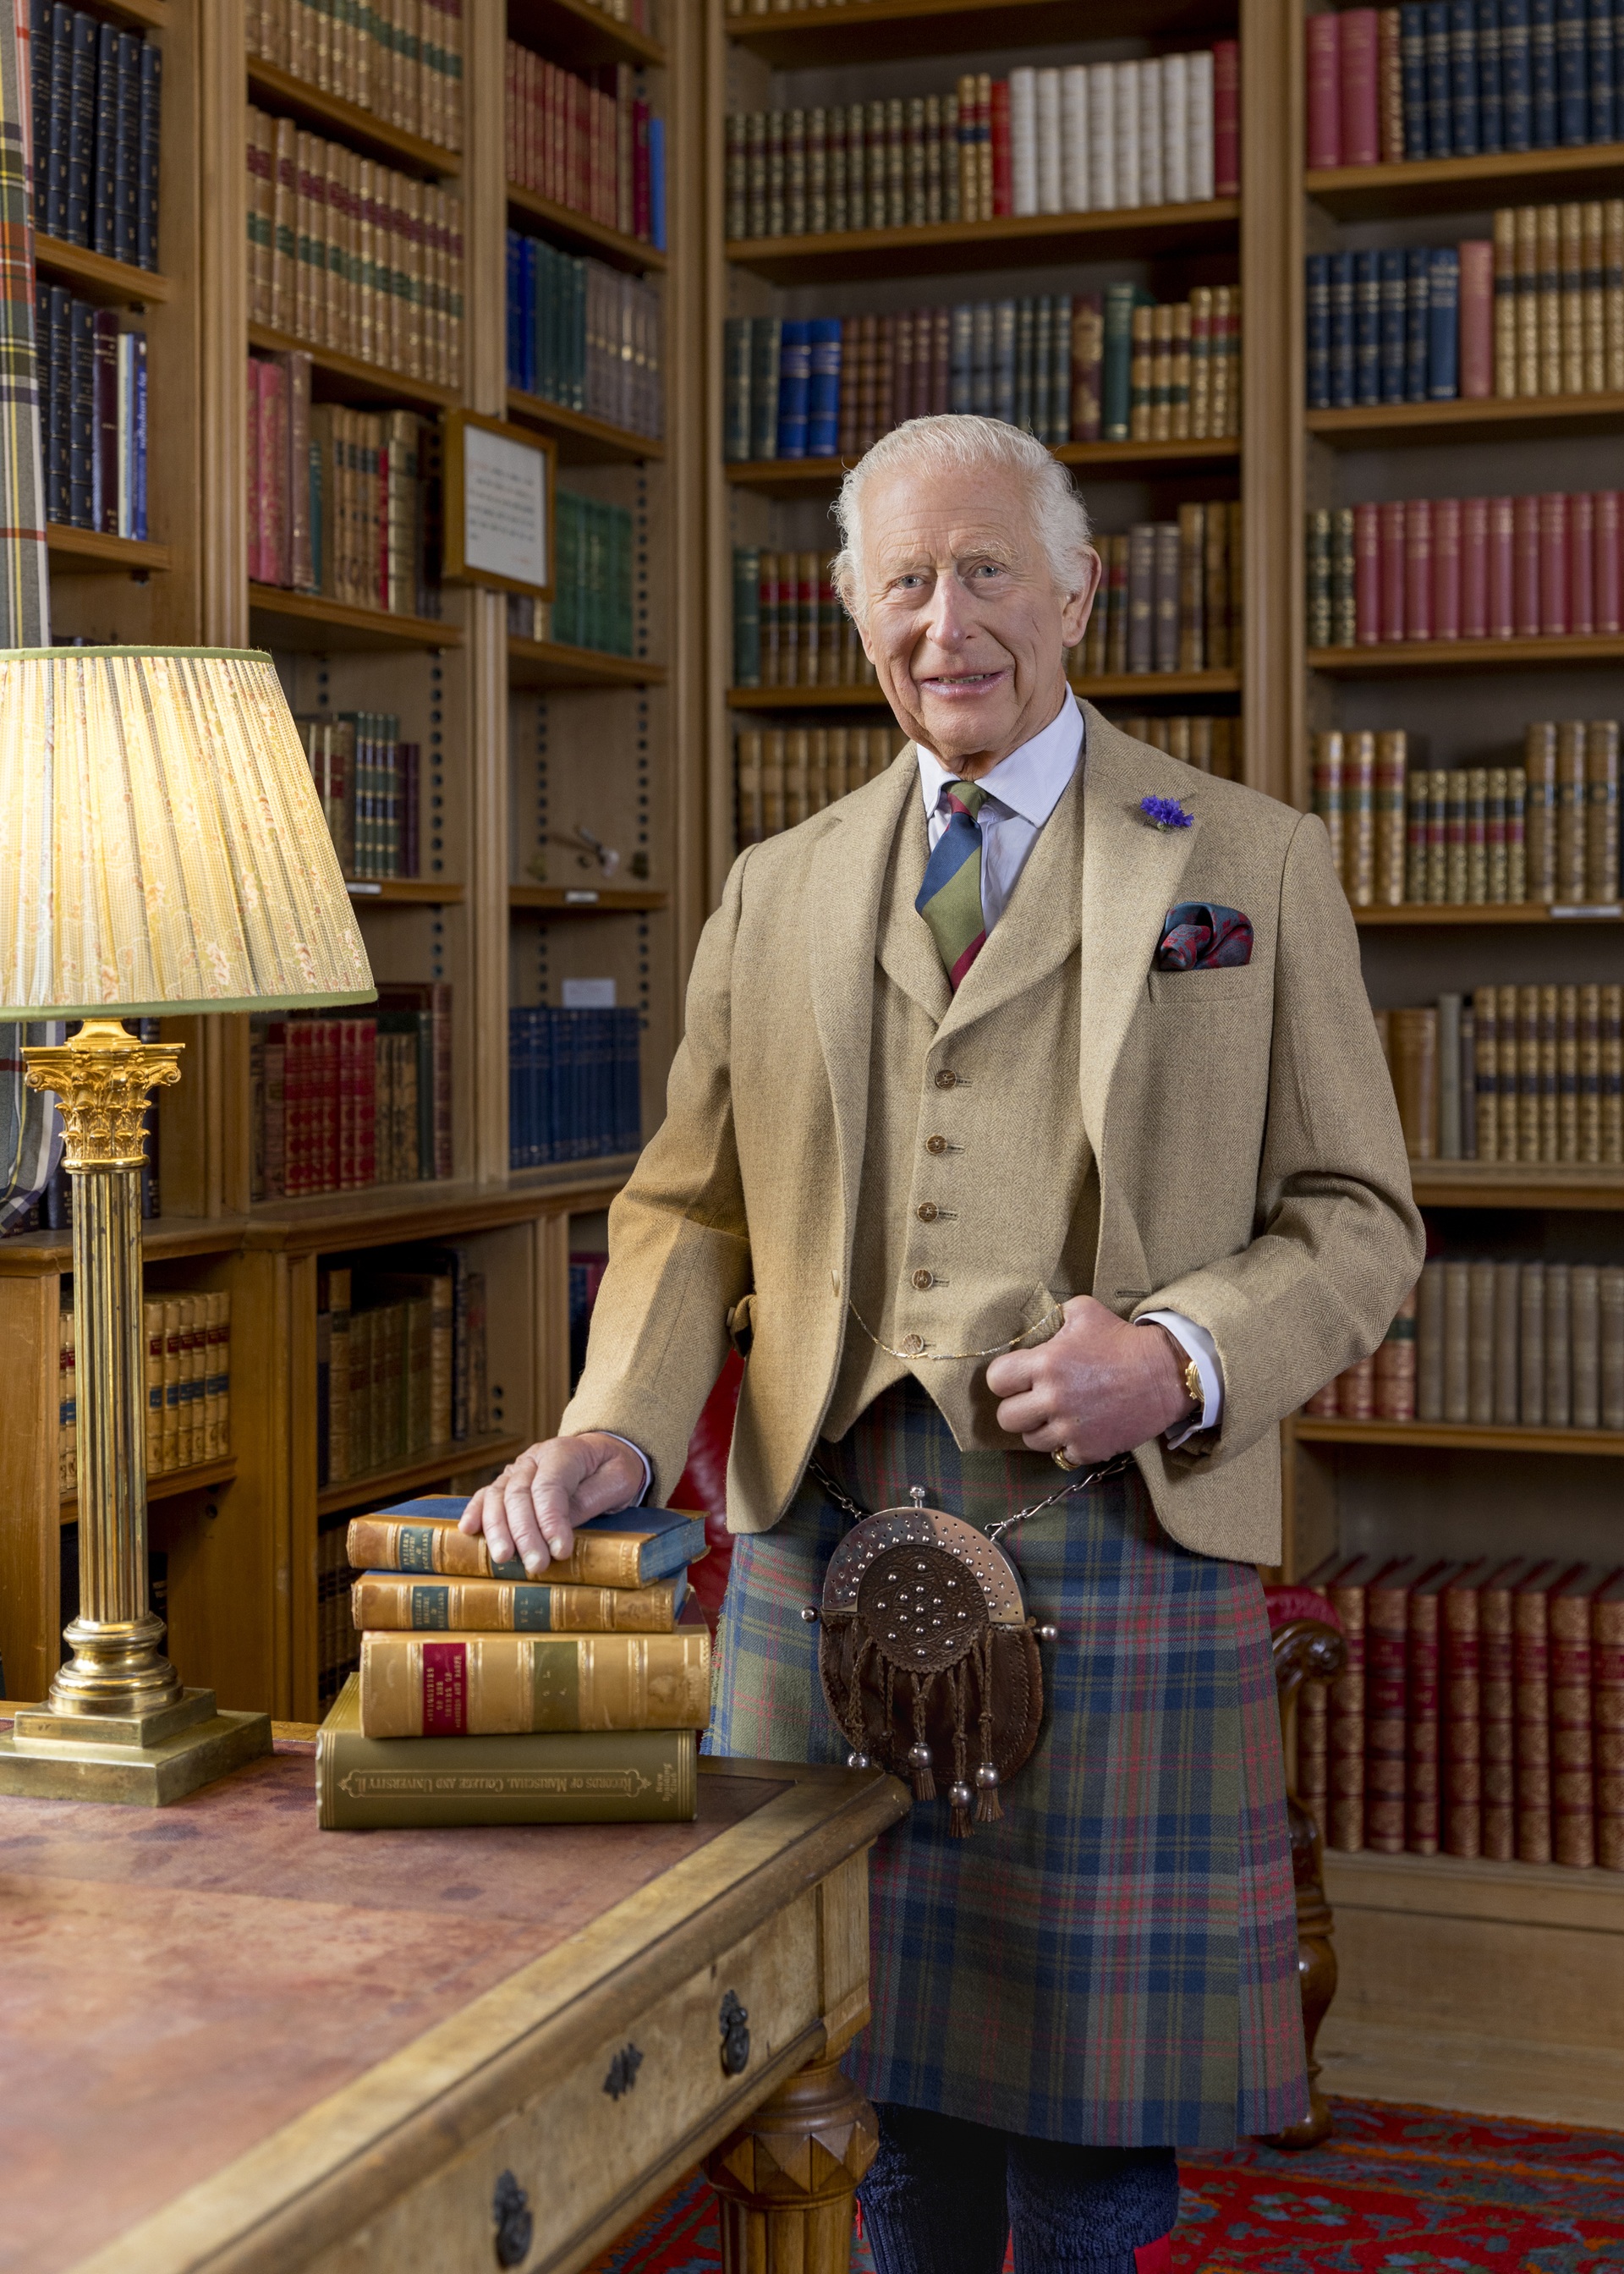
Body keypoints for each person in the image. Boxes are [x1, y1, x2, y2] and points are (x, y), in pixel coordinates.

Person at [461, 415, 1423, 2274]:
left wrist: (1186, 1355)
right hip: (814, 1545)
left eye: (989, 569)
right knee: (843, 2097)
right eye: (905, 580)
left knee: (1086, 2154)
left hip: (1116, 1542)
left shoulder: (1251, 858)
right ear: (854, 613)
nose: (948, 618)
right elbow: (690, 1210)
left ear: (1078, 589)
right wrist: (615, 1433)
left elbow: (1357, 1217)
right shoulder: (778, 885)